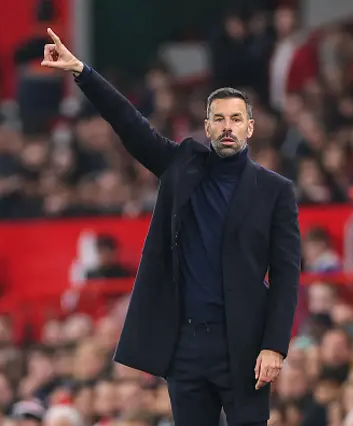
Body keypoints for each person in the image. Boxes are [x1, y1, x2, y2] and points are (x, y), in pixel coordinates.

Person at [41, 29, 301, 426]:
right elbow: (130, 124)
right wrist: (81, 71)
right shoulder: (182, 164)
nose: (227, 126)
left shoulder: (276, 191)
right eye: (219, 119)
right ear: (207, 126)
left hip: (246, 345)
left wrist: (274, 346)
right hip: (187, 345)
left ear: (251, 127)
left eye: (236, 119)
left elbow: (286, 275)